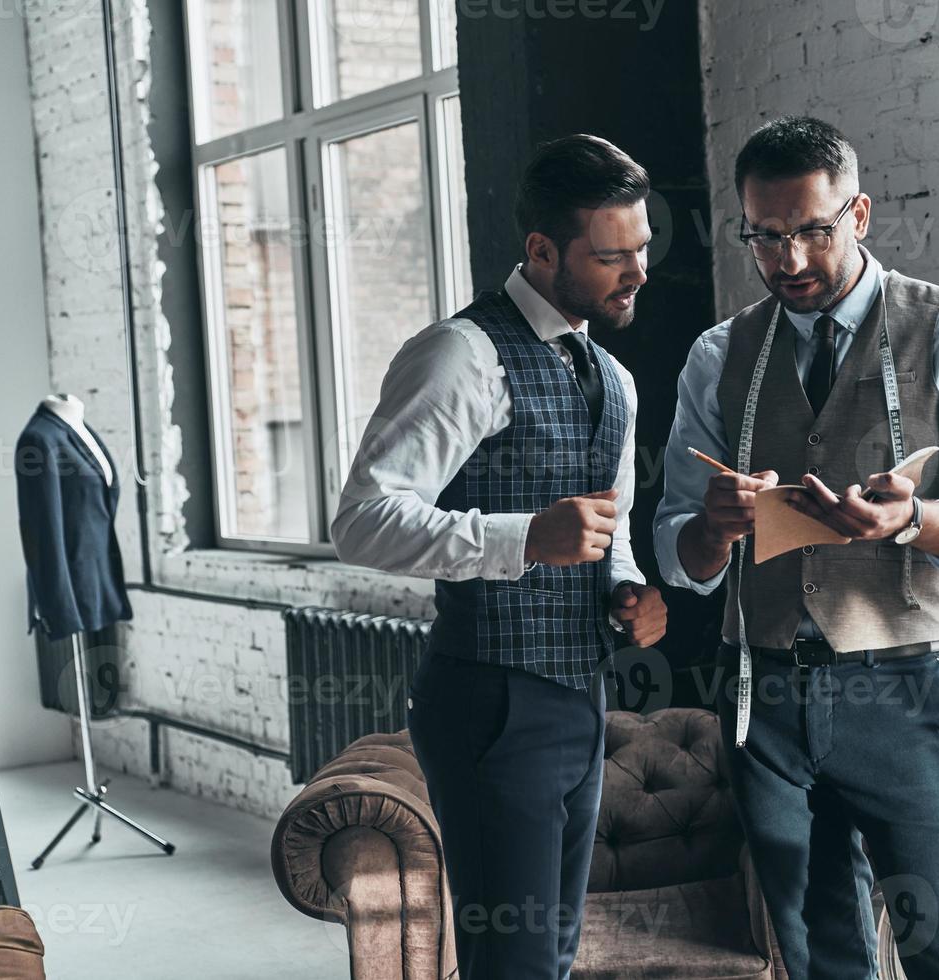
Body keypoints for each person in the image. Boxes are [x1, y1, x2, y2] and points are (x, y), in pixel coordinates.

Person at [654, 116, 939, 978]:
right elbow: (675, 556)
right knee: (818, 960)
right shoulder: (718, 355)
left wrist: (913, 520)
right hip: (763, 696)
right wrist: (711, 528)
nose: (788, 261)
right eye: (766, 237)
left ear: (859, 215)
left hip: (903, 689)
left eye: (812, 232)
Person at [332, 134, 668, 979]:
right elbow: (363, 520)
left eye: (642, 252)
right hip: (489, 700)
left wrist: (628, 587)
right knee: (509, 962)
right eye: (610, 257)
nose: (635, 275)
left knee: (551, 957)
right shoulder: (460, 354)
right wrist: (524, 539)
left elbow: (609, 527)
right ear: (542, 250)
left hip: (579, 695)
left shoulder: (614, 378)